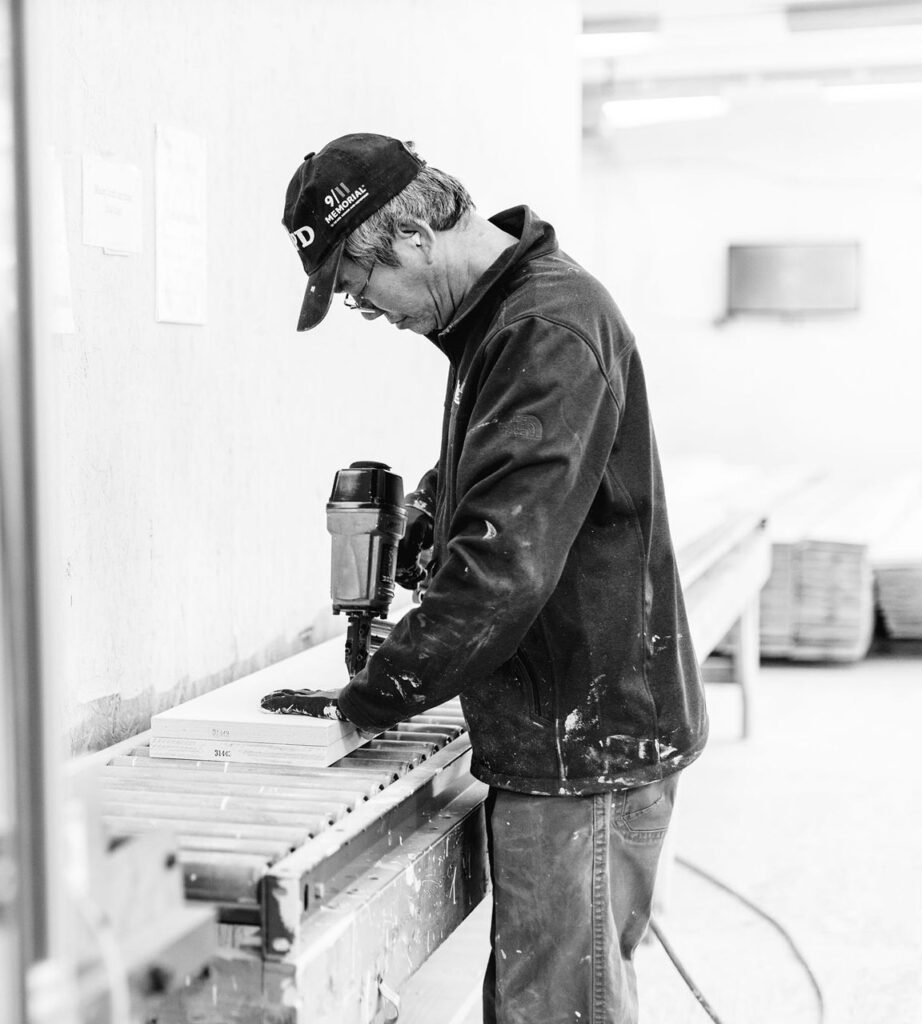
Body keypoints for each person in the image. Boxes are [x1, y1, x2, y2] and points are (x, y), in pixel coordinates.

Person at [264, 132, 709, 1024]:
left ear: (413, 239)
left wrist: (377, 692)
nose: (373, 312)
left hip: (583, 744)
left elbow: (503, 567)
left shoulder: (543, 328)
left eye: (361, 291)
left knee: (555, 1010)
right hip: (570, 726)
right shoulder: (503, 323)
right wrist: (428, 515)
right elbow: (501, 484)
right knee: (556, 996)